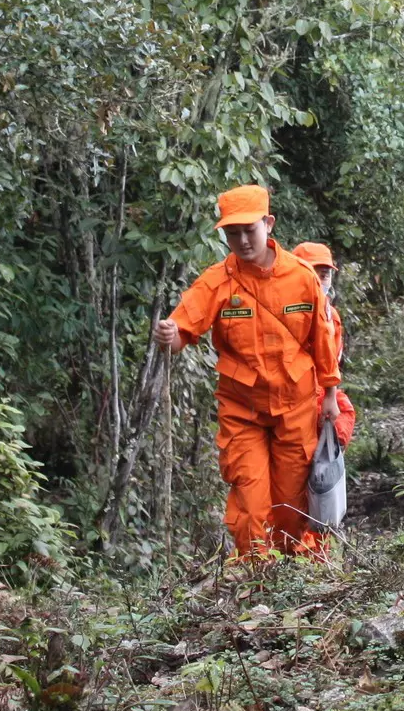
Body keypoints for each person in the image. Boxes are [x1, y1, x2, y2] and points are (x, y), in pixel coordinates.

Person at [151, 185, 341, 558]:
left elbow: (322, 340)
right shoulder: (216, 281)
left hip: (296, 408)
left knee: (292, 507)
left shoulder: (303, 277)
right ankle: (257, 577)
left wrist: (331, 395)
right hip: (243, 412)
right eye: (232, 232)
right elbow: (181, 332)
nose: (241, 240)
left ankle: (290, 575)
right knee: (250, 507)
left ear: (268, 224)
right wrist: (169, 336)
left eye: (248, 230)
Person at [290, 241, 356, 450]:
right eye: (311, 274)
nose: (318, 281)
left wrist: (330, 397)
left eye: (324, 275)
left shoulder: (331, 317)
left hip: (316, 401)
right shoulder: (279, 313)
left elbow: (332, 362)